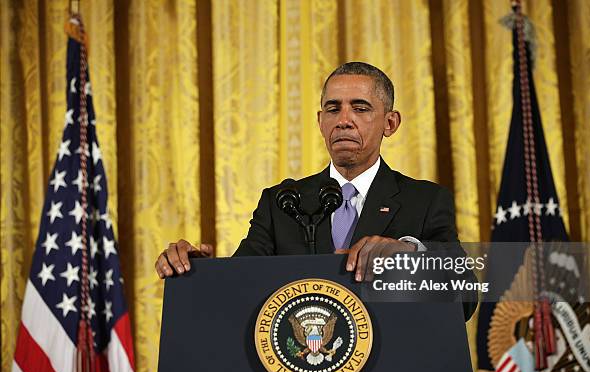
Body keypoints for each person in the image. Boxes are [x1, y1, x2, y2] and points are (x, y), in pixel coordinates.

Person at [155, 62, 476, 319]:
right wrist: (199, 272)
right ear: (321, 122)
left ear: (389, 124)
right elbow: (239, 289)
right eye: (333, 109)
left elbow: (465, 299)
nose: (344, 120)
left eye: (360, 108)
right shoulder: (281, 202)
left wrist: (409, 257)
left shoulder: (424, 200)